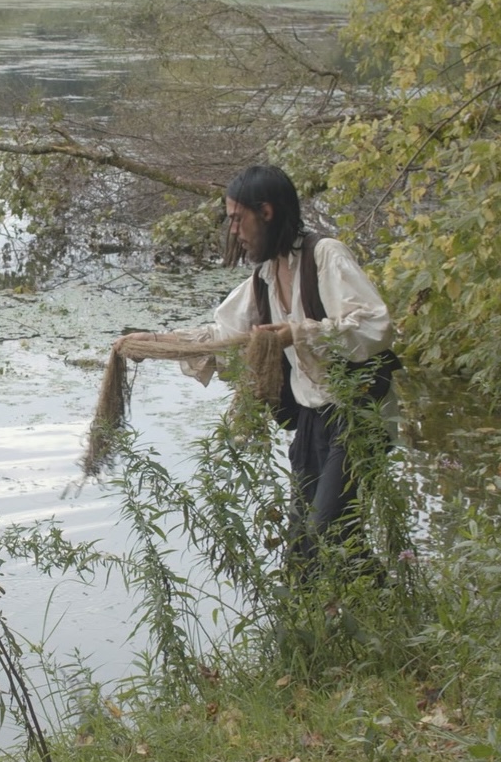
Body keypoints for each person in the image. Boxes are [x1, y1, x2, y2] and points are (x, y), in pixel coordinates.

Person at [115, 164, 398, 579]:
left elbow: (374, 327)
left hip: (358, 417)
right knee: (305, 549)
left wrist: (296, 334)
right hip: (312, 420)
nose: (234, 232)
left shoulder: (324, 256)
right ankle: (345, 629)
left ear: (265, 212)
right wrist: (156, 343)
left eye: (237, 218)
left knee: (328, 534)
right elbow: (223, 336)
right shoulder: (264, 277)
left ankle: (380, 619)